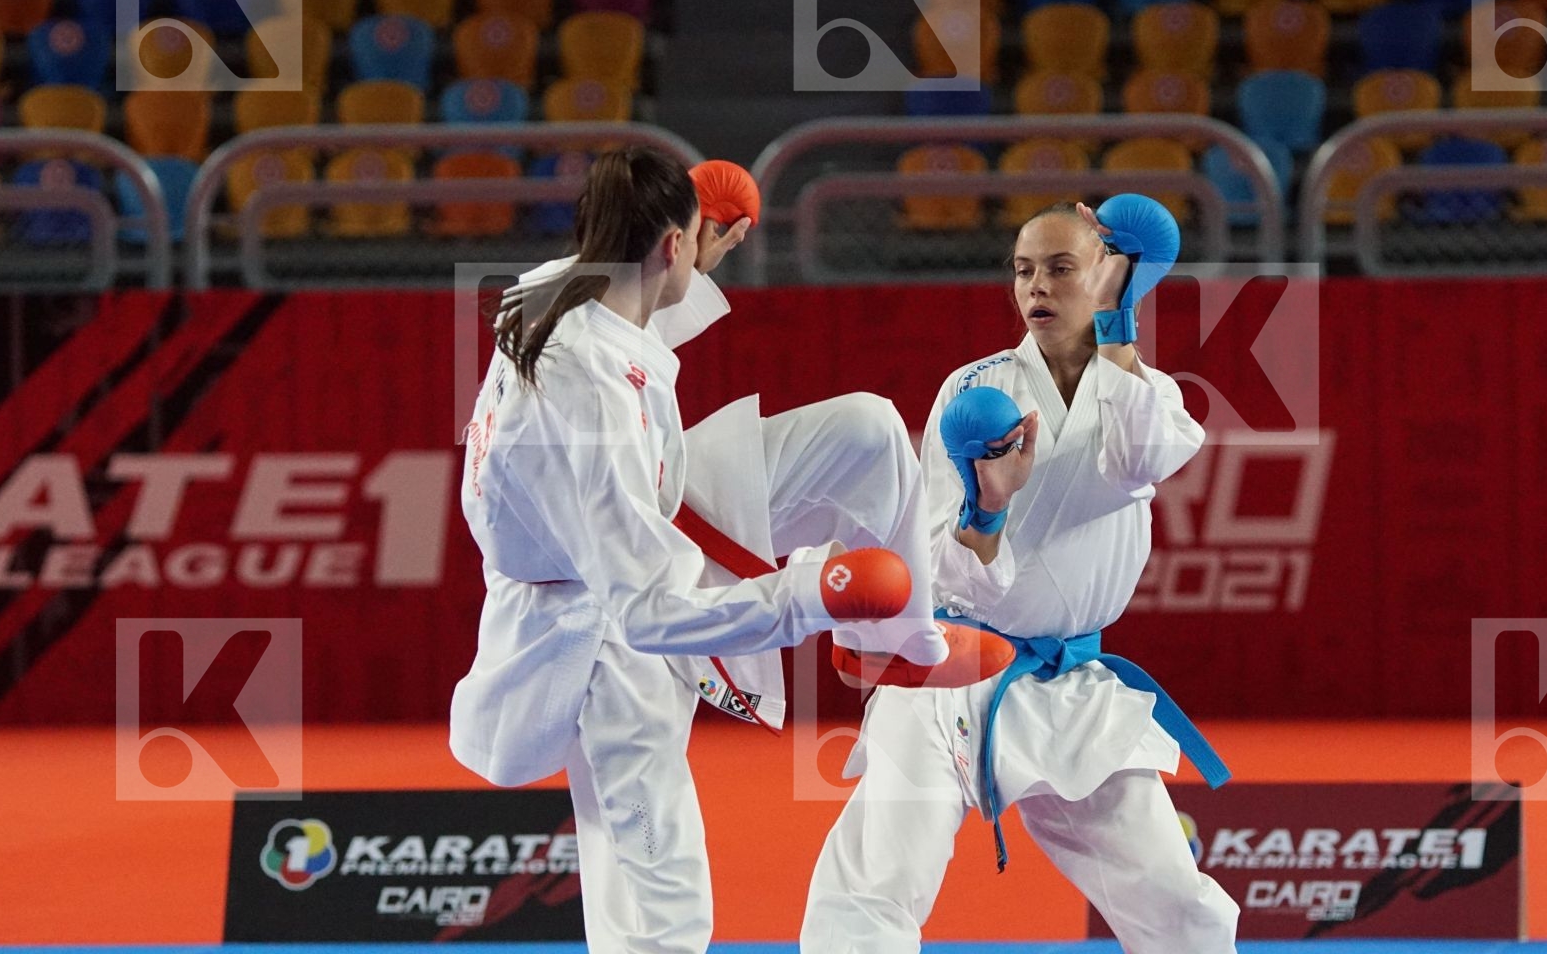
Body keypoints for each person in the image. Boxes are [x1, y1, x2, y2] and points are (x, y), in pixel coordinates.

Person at [451, 146, 983, 954]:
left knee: (871, 434)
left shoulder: (566, 281)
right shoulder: (589, 397)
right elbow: (651, 612)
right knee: (663, 904)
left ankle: (900, 649)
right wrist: (816, 593)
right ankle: (856, 620)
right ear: (671, 245)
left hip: (652, 500)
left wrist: (705, 228)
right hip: (597, 617)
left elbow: (645, 285)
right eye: (693, 242)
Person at [799, 198, 1241, 954]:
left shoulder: (1150, 396)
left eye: (1061, 269)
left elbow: (1141, 461)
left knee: (1179, 908)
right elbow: (939, 556)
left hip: (1069, 688)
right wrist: (988, 507)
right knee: (873, 889)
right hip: (948, 675)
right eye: (1023, 270)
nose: (1037, 287)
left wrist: (1121, 323)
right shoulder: (975, 393)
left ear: (1106, 276)